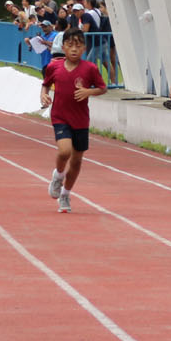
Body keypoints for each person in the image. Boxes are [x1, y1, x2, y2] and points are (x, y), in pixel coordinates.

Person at [40, 28, 108, 213]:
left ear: (84, 48)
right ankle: (58, 176)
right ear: (63, 47)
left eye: (78, 45)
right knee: (64, 151)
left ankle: (65, 194)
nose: (74, 49)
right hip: (60, 116)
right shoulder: (55, 67)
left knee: (76, 161)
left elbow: (102, 88)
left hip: (80, 119)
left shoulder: (90, 68)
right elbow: (46, 84)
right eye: (70, 45)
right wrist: (43, 95)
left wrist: (88, 91)